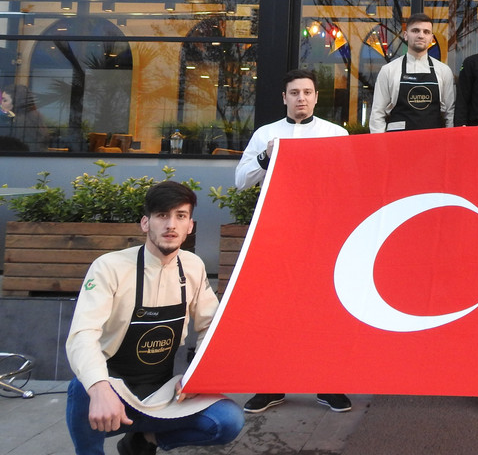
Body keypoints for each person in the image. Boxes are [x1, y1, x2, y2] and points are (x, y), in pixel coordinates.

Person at [65, 181, 244, 455]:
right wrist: (100, 387)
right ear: (145, 223)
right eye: (162, 215)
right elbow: (83, 333)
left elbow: (211, 325)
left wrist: (197, 376)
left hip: (163, 391)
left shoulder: (193, 267)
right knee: (81, 387)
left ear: (190, 226)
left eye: (180, 216)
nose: (171, 225)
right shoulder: (109, 267)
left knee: (228, 420)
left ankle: (145, 440)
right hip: (114, 390)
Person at [234, 69, 351, 414]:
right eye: (295, 92)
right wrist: (265, 157)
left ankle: (328, 384)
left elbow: (351, 181)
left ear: (316, 97)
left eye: (307, 92)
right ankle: (271, 385)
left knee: (324, 309)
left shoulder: (336, 134)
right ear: (284, 97)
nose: (302, 98)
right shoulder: (265, 134)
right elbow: (241, 181)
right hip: (277, 232)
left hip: (323, 234)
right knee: (275, 309)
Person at [368, 13, 456, 132]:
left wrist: (450, 139)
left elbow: (450, 113)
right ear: (406, 35)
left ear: (431, 38)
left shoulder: (444, 71)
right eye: (415, 31)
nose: (421, 35)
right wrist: (380, 142)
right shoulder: (388, 70)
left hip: (433, 139)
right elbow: (377, 114)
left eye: (426, 32)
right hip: (397, 139)